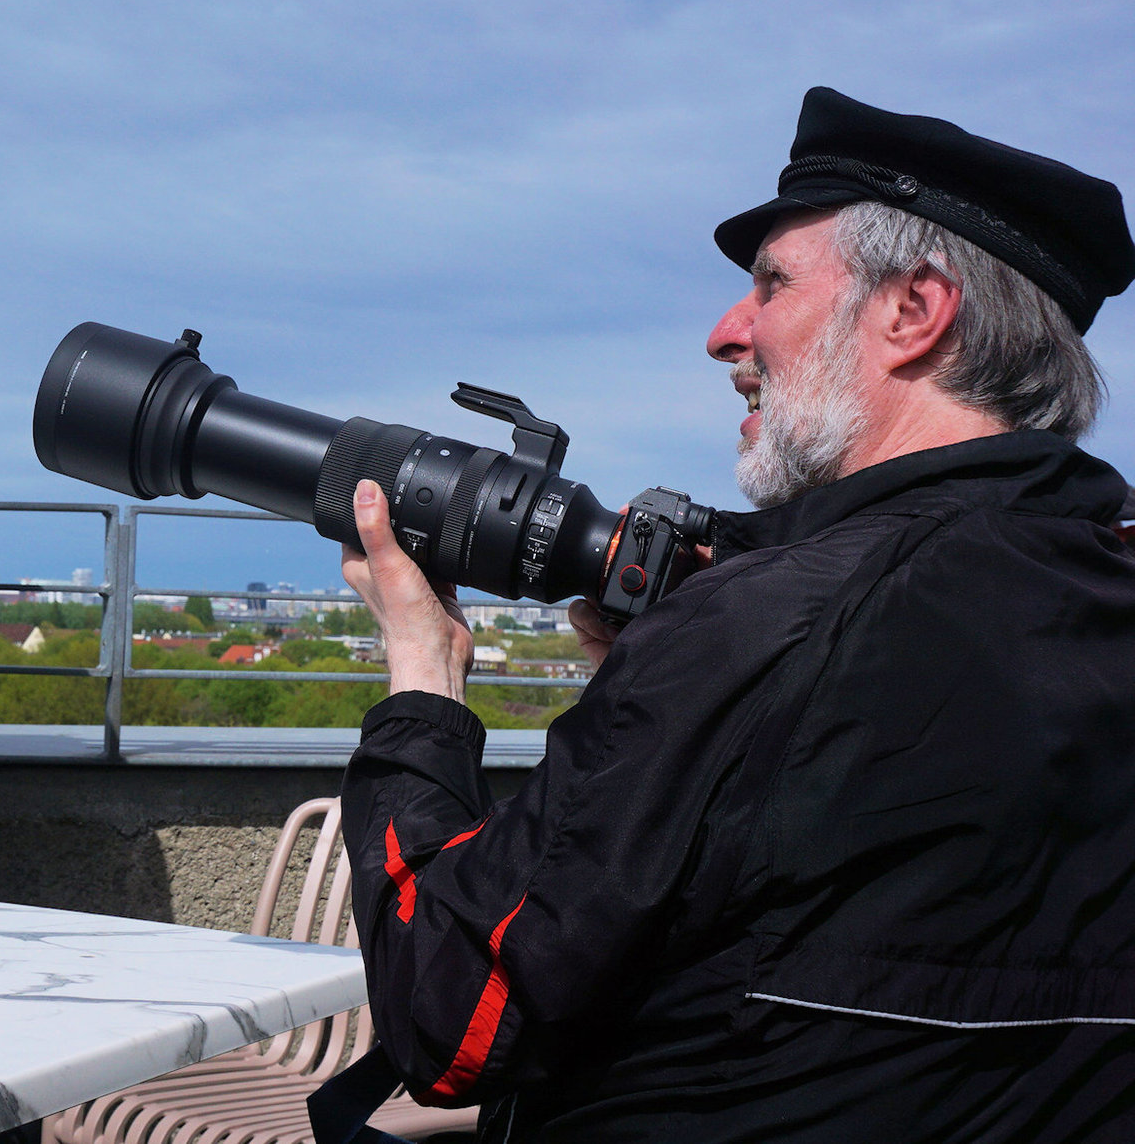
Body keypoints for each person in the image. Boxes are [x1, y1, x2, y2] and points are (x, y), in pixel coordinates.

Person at [334, 88, 1135, 1141]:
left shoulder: (758, 630)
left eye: (768, 285)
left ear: (911, 312)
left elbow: (447, 1019)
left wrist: (422, 683)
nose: (725, 333)